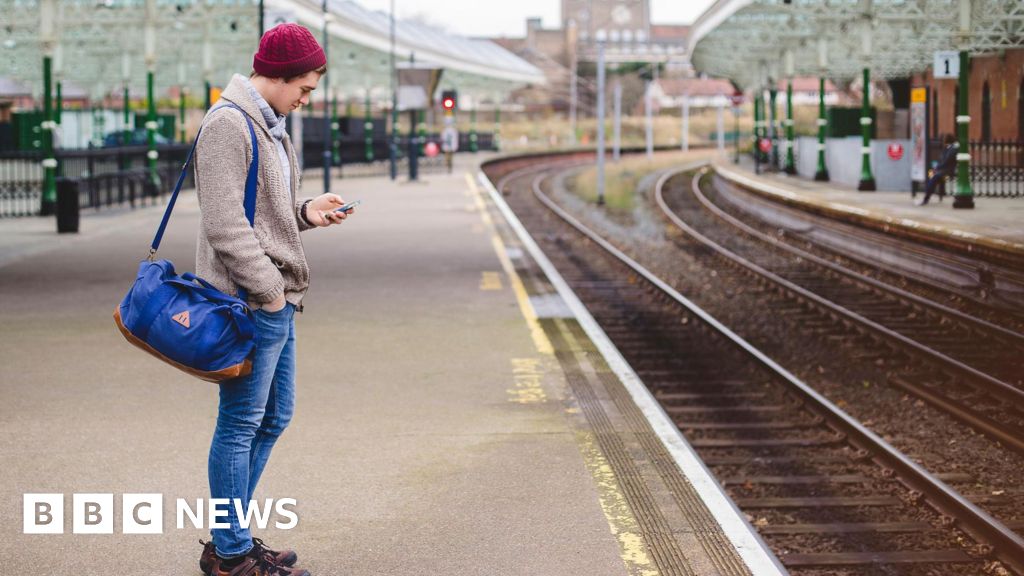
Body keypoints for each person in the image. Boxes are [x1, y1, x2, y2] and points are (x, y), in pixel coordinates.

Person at [193, 23, 354, 576]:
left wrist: (306, 213)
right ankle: (232, 554)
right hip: (250, 302)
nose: (306, 100)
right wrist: (267, 293)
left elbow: (264, 216)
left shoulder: (268, 125)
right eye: (304, 88)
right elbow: (224, 224)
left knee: (275, 415)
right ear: (278, 75)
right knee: (240, 423)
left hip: (273, 298)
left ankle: (228, 537)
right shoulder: (227, 125)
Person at [919, 134, 958, 205]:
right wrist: (936, 168)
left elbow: (946, 161)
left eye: (944, 139)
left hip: (947, 170)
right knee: (930, 175)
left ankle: (926, 199)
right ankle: (929, 194)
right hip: (942, 170)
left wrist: (937, 168)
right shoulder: (947, 148)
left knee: (934, 178)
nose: (943, 141)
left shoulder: (953, 149)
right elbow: (941, 160)